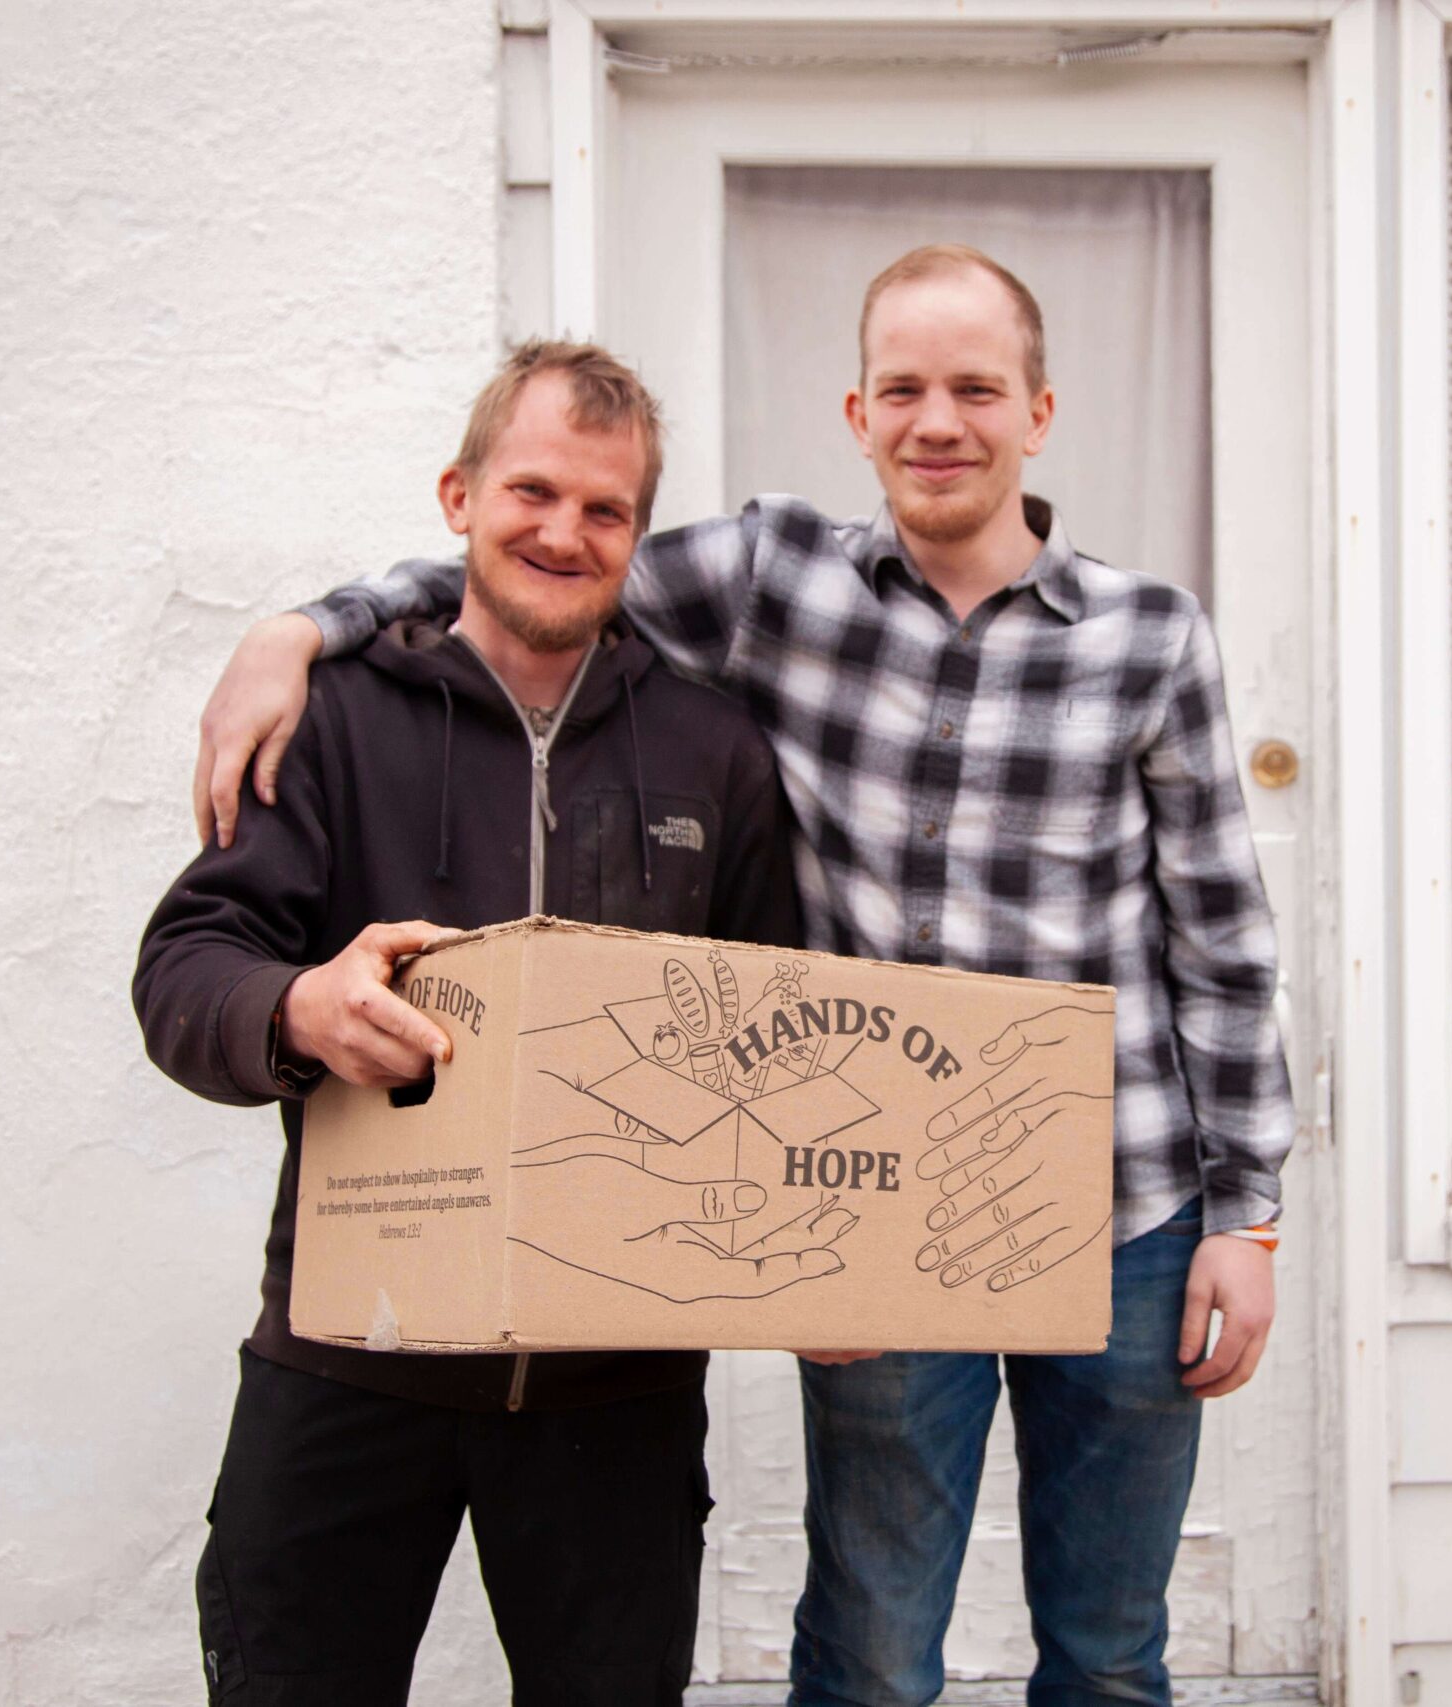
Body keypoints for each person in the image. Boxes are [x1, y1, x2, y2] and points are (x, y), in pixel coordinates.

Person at [191, 246, 1294, 1707]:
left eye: (976, 388)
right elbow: (541, 558)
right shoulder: (778, 579)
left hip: (1126, 1207)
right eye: (903, 388)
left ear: (1039, 410)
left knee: (1109, 1646)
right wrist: (302, 629)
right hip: (889, 1209)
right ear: (855, 412)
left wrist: (1250, 1219)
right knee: (876, 1644)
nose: (938, 421)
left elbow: (1218, 933)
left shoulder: (1151, 637)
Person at [135, 340, 805, 1707]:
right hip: (347, 1357)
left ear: (638, 531)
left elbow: (781, 1034)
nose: (564, 532)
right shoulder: (329, 721)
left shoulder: (710, 750)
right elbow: (186, 965)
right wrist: (299, 1006)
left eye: (606, 509)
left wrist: (812, 1263)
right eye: (533, 492)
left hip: (613, 1390)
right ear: (459, 497)